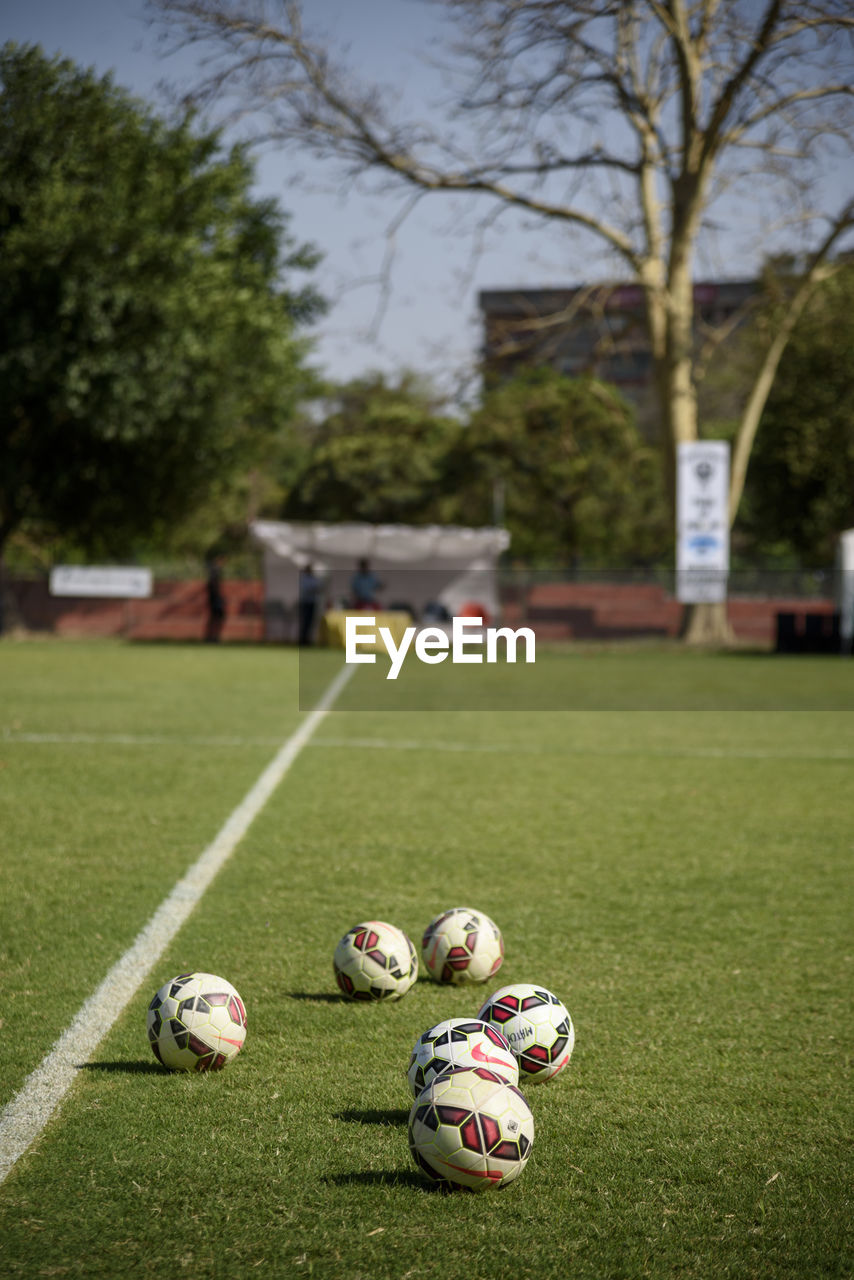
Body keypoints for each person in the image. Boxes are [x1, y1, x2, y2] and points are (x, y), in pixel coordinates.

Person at [298, 562, 322, 646]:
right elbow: (307, 589)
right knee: (305, 622)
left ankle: (308, 639)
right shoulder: (304, 578)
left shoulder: (314, 578)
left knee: (310, 622)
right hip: (305, 602)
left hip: (312, 602)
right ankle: (302, 640)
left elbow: (318, 588)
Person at [205, 553, 226, 642]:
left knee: (216, 617)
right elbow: (213, 585)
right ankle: (212, 637)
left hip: (215, 597)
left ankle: (212, 637)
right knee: (216, 617)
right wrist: (218, 596)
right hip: (215, 598)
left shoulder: (214, 570)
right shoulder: (215, 570)